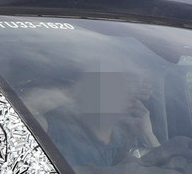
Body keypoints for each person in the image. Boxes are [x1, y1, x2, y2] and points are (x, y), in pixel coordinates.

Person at [23, 70, 162, 168]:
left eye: (133, 94)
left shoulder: (124, 142)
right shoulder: (55, 130)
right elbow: (17, 114)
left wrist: (147, 135)